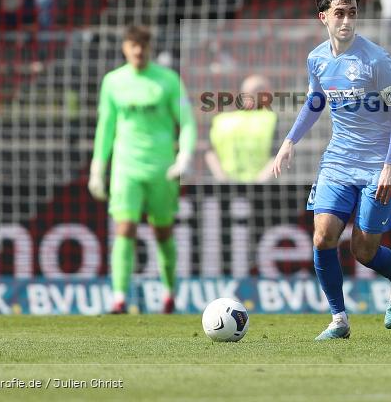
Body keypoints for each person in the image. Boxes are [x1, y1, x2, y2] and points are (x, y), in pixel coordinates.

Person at [272, 0, 391, 340]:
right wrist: (290, 140)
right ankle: (339, 319)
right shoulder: (317, 58)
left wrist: (390, 164)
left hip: (380, 163)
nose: (347, 20)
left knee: (363, 250)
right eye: (339, 13)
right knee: (322, 238)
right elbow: (316, 101)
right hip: (338, 160)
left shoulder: (377, 60)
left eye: (352, 12)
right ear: (324, 17)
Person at [88, 25, 197, 314]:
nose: (138, 51)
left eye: (143, 46)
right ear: (125, 47)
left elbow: (186, 121)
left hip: (162, 168)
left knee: (162, 232)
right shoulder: (113, 82)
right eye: (133, 46)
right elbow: (106, 127)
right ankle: (119, 298)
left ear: (149, 48)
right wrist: (97, 168)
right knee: (124, 228)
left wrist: (184, 157)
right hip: (126, 168)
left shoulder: (168, 80)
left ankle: (169, 294)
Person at [205, 74, 278, 183]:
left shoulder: (221, 120)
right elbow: (280, 155)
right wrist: (259, 183)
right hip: (261, 187)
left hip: (227, 185)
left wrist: (222, 179)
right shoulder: (270, 119)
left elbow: (210, 153)